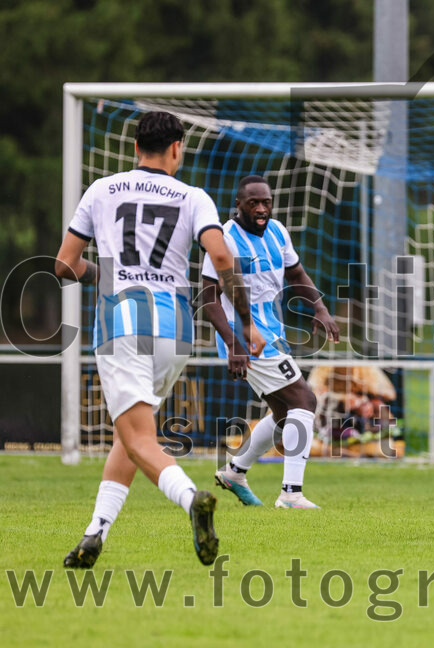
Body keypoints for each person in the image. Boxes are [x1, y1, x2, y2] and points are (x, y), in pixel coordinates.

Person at [57, 111, 265, 568]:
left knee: (137, 438)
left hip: (122, 322)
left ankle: (192, 499)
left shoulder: (101, 189)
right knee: (130, 436)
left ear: (135, 148)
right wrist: (247, 323)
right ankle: (95, 533)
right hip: (175, 329)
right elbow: (220, 253)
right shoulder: (193, 197)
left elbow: (64, 265)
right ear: (176, 149)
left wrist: (106, 276)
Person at [203, 176, 340, 509]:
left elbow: (296, 274)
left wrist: (320, 307)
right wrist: (233, 344)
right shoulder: (225, 240)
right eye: (253, 203)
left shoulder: (278, 231)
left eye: (266, 201)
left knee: (283, 412)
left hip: (272, 333)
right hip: (246, 340)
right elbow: (207, 298)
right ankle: (291, 494)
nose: (261, 209)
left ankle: (236, 471)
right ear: (239, 205)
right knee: (304, 400)